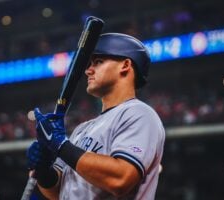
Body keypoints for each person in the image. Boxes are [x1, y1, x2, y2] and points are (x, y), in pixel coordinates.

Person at [26, 33, 165, 200]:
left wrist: (61, 145)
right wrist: (43, 172)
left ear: (125, 65)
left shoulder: (140, 114)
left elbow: (120, 179)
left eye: (98, 62)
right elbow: (57, 193)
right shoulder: (81, 129)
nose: (88, 70)